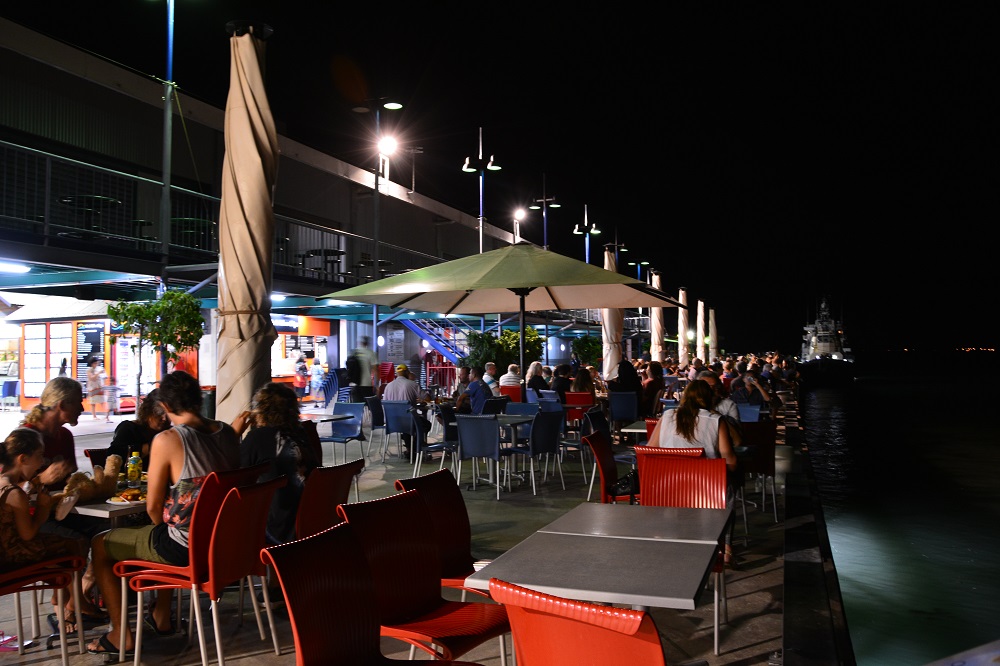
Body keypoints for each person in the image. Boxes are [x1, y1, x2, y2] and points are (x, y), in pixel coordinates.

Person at [87, 370, 241, 655]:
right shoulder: (229, 433)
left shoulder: (169, 439)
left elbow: (153, 506)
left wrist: (164, 529)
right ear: (199, 399)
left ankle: (121, 634)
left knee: (103, 544)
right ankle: (160, 616)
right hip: (227, 544)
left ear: (166, 407)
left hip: (188, 549)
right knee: (160, 535)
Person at [20, 376, 107, 626]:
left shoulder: (65, 436)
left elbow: (68, 483)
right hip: (30, 518)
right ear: (62, 405)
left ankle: (78, 596)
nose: (83, 407)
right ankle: (65, 605)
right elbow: (7, 488)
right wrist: (40, 480)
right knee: (74, 541)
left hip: (62, 510)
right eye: (78, 402)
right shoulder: (26, 436)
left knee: (108, 534)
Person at [1, 427, 96, 634]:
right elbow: (27, 535)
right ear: (23, 459)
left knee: (64, 545)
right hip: (10, 559)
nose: (43, 462)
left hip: (5, 553)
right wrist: (43, 509)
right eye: (39, 456)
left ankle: (68, 600)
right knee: (75, 544)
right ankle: (73, 602)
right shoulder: (13, 492)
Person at [647, 379, 738, 564]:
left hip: (668, 488)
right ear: (709, 398)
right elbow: (730, 461)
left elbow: (650, 450)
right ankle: (725, 547)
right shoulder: (715, 421)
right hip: (705, 490)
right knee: (729, 489)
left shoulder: (667, 416)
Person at [232, 382, 319, 545]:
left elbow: (232, 480)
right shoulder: (302, 435)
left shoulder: (257, 438)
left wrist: (233, 434)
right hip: (309, 526)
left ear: (260, 411)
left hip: (275, 532)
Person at [108, 388, 170, 471]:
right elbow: (114, 458)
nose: (164, 419)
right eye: (159, 413)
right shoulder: (128, 428)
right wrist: (154, 445)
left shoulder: (171, 432)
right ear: (148, 411)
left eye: (169, 414)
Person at [382, 364, 430, 451]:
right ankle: (417, 448)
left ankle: (409, 448)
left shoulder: (388, 386)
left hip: (392, 421)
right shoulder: (412, 384)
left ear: (397, 374)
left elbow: (385, 403)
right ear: (407, 372)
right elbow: (427, 398)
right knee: (426, 425)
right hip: (408, 421)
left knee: (411, 423)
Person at [350, 336, 379, 403]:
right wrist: (376, 385)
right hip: (366, 384)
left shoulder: (354, 353)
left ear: (359, 343)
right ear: (367, 343)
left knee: (356, 406)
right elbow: (375, 370)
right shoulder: (370, 353)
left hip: (354, 385)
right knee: (368, 406)